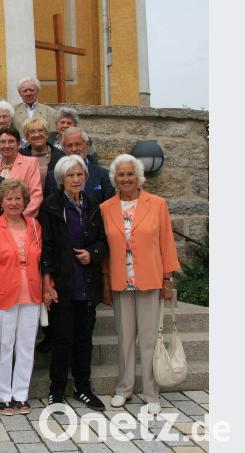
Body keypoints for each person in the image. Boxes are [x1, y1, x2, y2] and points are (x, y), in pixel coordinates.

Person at [101, 154, 180, 415]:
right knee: (124, 338)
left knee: (148, 338)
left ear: (139, 177)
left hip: (150, 279)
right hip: (120, 282)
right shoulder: (106, 208)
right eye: (121, 174)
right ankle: (123, 389)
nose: (125, 179)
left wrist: (167, 279)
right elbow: (106, 251)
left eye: (130, 174)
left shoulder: (157, 204)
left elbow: (167, 242)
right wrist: (105, 284)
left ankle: (150, 391)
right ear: (114, 178)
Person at [39, 155, 108, 411]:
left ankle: (83, 388)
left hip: (87, 282)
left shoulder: (93, 205)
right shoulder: (51, 206)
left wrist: (93, 254)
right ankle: (56, 391)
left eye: (79, 175)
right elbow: (46, 246)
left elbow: (102, 241)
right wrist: (47, 282)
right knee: (62, 338)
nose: (76, 179)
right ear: (61, 179)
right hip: (63, 282)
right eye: (70, 175)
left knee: (83, 339)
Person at [0, 178, 43, 416]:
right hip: (3, 295)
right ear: (1, 202)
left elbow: (40, 260)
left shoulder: (35, 226)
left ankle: (21, 394)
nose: (14, 203)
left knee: (26, 346)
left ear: (25, 201)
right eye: (9, 199)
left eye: (18, 198)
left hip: (31, 294)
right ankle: (3, 395)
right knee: (4, 346)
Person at [0, 127, 43, 218]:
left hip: (23, 219)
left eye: (11, 141)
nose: (7, 145)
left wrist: (19, 219)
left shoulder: (31, 163)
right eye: (3, 142)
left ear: (18, 144)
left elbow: (36, 196)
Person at [61, 127, 115, 202]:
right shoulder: (52, 177)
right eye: (69, 145)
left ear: (87, 145)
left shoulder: (104, 175)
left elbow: (109, 207)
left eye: (77, 144)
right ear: (64, 148)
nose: (74, 149)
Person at [20, 117, 64, 199]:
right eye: (32, 132)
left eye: (40, 130)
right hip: (28, 204)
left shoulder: (60, 156)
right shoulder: (20, 156)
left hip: (53, 205)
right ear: (27, 137)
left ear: (47, 134)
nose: (37, 135)